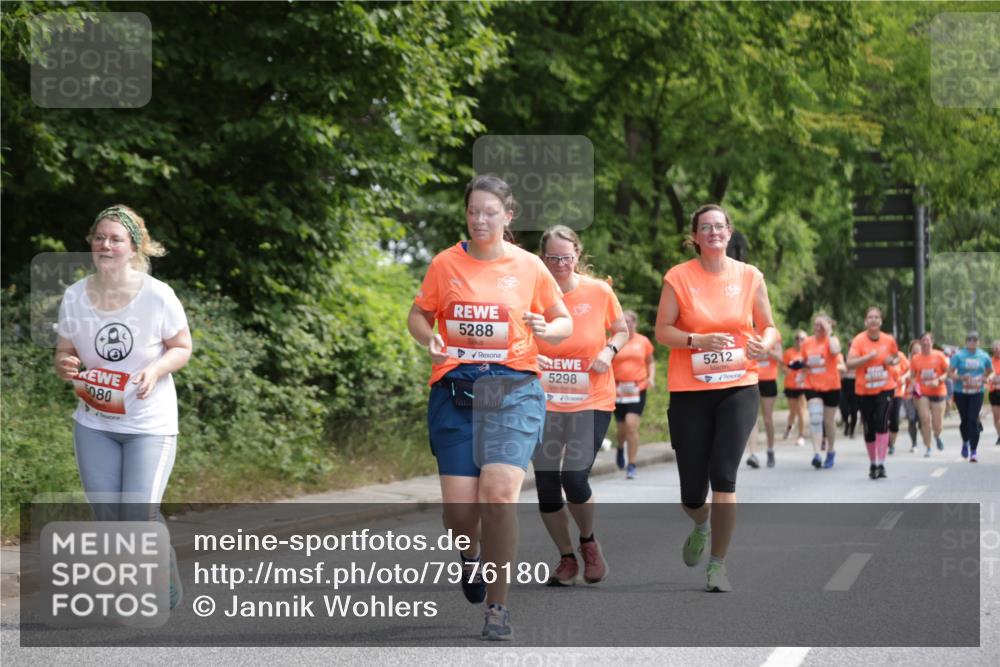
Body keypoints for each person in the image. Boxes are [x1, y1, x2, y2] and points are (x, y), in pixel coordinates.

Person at [407, 175, 572, 641]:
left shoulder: (529, 266)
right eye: (473, 211)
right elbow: (418, 314)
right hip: (455, 392)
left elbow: (561, 320)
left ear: (508, 215)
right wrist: (429, 337)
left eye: (490, 212)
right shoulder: (445, 263)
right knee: (461, 513)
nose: (480, 220)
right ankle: (470, 555)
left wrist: (548, 328)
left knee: (498, 496)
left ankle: (497, 607)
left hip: (513, 390)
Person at [54, 205, 192, 610]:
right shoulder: (75, 296)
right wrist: (66, 364)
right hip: (95, 422)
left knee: (138, 516)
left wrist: (155, 370)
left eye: (116, 239)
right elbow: (65, 351)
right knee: (109, 518)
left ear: (134, 247)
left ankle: (160, 580)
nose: (106, 245)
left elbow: (182, 347)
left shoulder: (157, 295)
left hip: (150, 423)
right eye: (99, 237)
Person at [655, 204, 777, 593]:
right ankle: (701, 523)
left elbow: (769, 327)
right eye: (705, 227)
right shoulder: (678, 277)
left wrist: (764, 345)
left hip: (738, 386)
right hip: (690, 391)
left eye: (719, 226)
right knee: (692, 494)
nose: (713, 232)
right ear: (694, 236)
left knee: (724, 478)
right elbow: (663, 330)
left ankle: (718, 565)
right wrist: (697, 340)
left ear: (729, 232)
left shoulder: (749, 276)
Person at [532, 225, 628, 587]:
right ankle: (567, 558)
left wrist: (609, 350)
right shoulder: (532, 294)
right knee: (546, 484)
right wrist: (530, 359)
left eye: (566, 257)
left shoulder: (598, 291)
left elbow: (621, 329)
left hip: (591, 398)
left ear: (578, 255)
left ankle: (588, 541)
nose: (560, 264)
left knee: (573, 477)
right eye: (552, 258)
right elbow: (516, 337)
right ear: (543, 258)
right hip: (544, 402)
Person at [845, 307, 900, 480]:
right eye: (870, 317)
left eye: (876, 317)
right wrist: (867, 358)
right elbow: (849, 364)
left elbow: (896, 357)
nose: (874, 319)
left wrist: (892, 360)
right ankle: (873, 463)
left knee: (882, 423)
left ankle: (881, 464)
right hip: (864, 390)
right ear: (866, 321)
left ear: (881, 321)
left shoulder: (888, 340)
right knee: (869, 427)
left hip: (885, 388)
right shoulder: (859, 340)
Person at [611, 310, 656, 479]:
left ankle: (632, 464)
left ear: (635, 323)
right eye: (624, 321)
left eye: (629, 321)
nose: (627, 324)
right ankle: (620, 447)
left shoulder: (643, 341)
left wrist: (651, 378)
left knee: (631, 425)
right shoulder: (613, 341)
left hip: (638, 388)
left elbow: (650, 361)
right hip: (618, 389)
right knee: (621, 428)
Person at [801, 314, 842, 468]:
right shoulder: (807, 342)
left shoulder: (832, 340)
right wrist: (802, 368)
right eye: (816, 324)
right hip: (812, 386)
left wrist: (828, 332)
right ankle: (817, 453)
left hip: (831, 386)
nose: (818, 328)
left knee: (829, 422)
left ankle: (831, 451)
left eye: (822, 325)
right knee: (816, 417)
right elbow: (804, 362)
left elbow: (835, 350)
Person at [949, 331, 993, 462]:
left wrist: (987, 378)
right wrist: (960, 377)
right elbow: (949, 372)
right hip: (961, 391)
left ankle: (973, 451)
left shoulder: (984, 356)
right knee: (964, 420)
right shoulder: (959, 355)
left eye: (974, 340)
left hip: (977, 392)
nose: (972, 342)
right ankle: (965, 442)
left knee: (973, 419)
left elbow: (991, 371)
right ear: (966, 342)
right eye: (969, 340)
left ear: (979, 342)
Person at [746, 330, 782, 468]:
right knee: (752, 418)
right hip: (752, 379)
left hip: (768, 380)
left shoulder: (773, 333)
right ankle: (753, 454)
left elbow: (780, 357)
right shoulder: (748, 330)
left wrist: (765, 349)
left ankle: (770, 450)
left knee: (767, 419)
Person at [910, 332, 950, 457]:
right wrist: (914, 387)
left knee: (937, 424)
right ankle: (928, 447)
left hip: (938, 391)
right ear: (920, 342)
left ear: (932, 342)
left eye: (928, 340)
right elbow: (912, 376)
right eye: (923, 340)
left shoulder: (939, 355)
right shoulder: (915, 358)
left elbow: (948, 372)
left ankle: (937, 436)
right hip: (922, 393)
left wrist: (938, 380)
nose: (925, 342)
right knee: (925, 419)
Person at [782, 330, 809, 447]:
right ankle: (789, 427)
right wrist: (787, 370)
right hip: (791, 385)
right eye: (797, 338)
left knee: (801, 411)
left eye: (802, 339)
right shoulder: (789, 353)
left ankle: (801, 436)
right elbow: (783, 366)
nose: (799, 341)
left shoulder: (808, 352)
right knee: (792, 411)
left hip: (803, 385)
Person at [887, 344, 911, 455]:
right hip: (882, 392)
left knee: (894, 420)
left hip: (897, 392)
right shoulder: (880, 356)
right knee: (883, 418)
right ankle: (884, 441)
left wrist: (904, 377)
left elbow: (910, 370)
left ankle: (891, 444)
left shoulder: (900, 356)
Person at [838, 356, 859, 438]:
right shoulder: (843, 364)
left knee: (854, 411)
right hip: (844, 389)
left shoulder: (858, 364)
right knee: (843, 409)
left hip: (855, 389)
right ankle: (846, 423)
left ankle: (852, 430)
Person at [989, 340, 1000, 447]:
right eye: (995, 349)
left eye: (998, 348)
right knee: (996, 417)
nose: (997, 351)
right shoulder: (990, 361)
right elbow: (987, 376)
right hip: (994, 392)